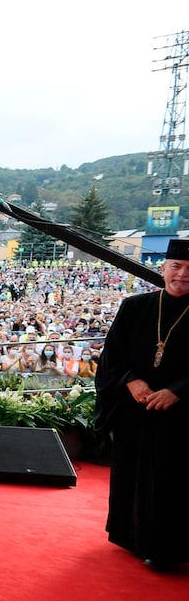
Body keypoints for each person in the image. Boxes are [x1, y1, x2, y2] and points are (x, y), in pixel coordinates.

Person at [95, 239, 189, 571]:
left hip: (181, 416)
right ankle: (131, 535)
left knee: (172, 480)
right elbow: (112, 355)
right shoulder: (135, 306)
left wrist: (177, 391)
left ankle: (166, 548)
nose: (182, 274)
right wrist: (131, 381)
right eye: (176, 267)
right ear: (164, 269)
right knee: (133, 472)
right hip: (136, 409)